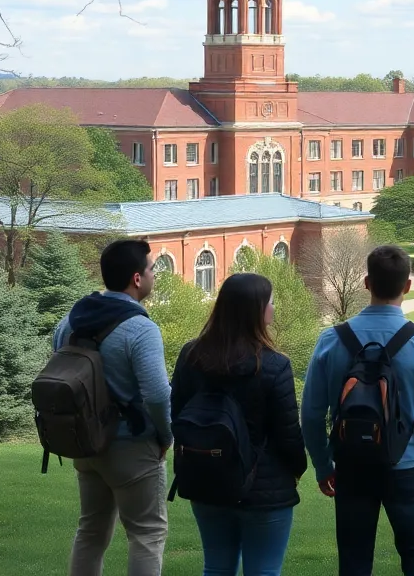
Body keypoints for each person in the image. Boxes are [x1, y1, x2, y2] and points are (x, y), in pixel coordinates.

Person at [301, 245, 414, 576]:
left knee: (355, 560)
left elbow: (311, 415)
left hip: (351, 464)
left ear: (366, 283)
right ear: (407, 286)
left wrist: (321, 464)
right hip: (408, 467)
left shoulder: (331, 340)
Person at [170, 273, 308, 576]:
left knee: (216, 569)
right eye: (270, 302)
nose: (274, 308)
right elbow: (288, 434)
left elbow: (176, 414)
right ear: (256, 310)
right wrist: (297, 469)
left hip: (206, 476)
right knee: (263, 572)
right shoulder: (274, 364)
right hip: (264, 488)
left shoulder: (191, 355)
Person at [53, 239, 171, 576]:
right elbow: (158, 395)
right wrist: (165, 436)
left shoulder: (71, 320)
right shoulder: (141, 328)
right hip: (131, 447)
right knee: (147, 533)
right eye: (151, 269)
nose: (153, 275)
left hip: (85, 443)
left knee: (90, 532)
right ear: (137, 278)